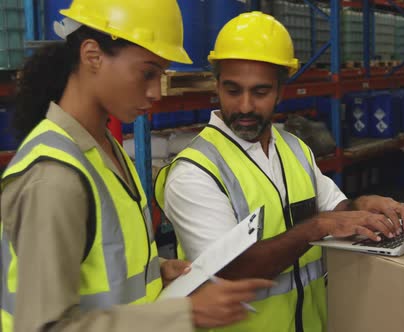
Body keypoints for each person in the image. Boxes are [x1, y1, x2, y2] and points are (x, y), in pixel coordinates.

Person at [0, 1, 274, 331]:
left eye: (161, 74)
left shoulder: (102, 149)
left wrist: (154, 271)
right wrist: (183, 315)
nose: (156, 91)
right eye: (148, 73)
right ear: (93, 56)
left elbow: (98, 261)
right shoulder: (53, 178)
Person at [155, 11, 404, 332]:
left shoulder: (293, 148)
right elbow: (231, 270)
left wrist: (363, 205)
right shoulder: (195, 171)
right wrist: (315, 227)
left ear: (280, 91)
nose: (246, 106)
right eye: (233, 90)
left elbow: (336, 210)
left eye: (260, 92)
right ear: (217, 85)